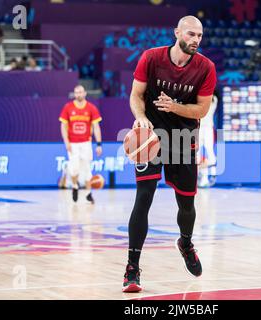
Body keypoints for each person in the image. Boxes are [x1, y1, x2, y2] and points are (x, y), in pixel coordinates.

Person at [123, 15, 217, 293]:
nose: (195, 40)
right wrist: (140, 118)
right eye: (190, 34)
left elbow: (201, 110)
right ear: (177, 33)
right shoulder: (151, 58)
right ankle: (132, 268)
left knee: (186, 205)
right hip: (151, 136)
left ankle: (185, 243)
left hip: (184, 138)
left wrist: (174, 107)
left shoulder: (206, 68)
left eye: (199, 36)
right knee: (143, 198)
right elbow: (136, 95)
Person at [59, 85, 103, 204]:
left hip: (86, 143)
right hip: (72, 143)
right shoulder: (68, 107)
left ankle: (89, 194)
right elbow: (63, 126)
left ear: (84, 93)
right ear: (74, 94)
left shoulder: (91, 108)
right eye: (76, 92)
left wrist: (99, 144)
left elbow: (96, 127)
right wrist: (66, 142)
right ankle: (75, 186)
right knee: (74, 169)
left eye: (80, 92)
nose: (78, 94)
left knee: (87, 169)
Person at [197, 93, 218, 187]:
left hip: (208, 128)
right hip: (199, 128)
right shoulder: (199, 97)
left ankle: (213, 174)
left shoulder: (214, 99)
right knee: (197, 152)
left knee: (209, 150)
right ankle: (201, 177)